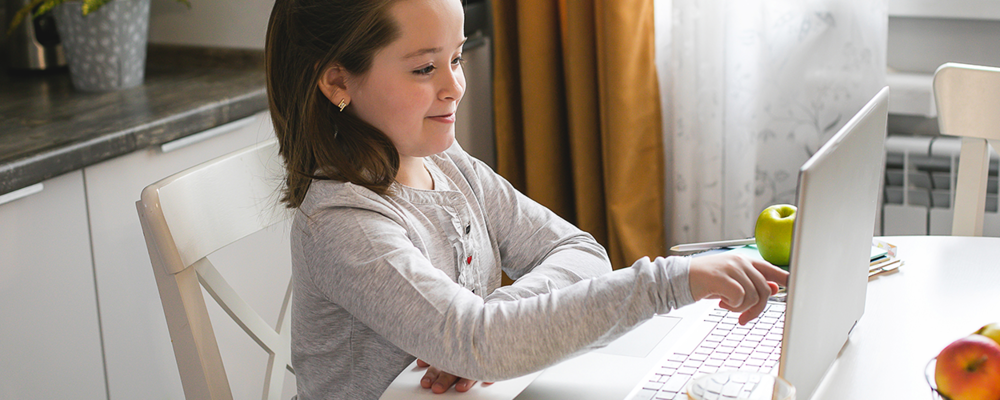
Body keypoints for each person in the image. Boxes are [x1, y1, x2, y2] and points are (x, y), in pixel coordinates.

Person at [265, 0, 788, 399]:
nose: (455, 87)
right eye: (425, 69)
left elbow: (581, 250)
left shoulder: (449, 165)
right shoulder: (344, 223)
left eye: (457, 57)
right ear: (338, 81)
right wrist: (675, 282)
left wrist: (492, 318)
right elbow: (479, 342)